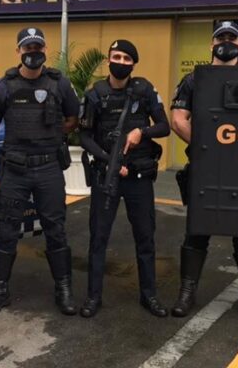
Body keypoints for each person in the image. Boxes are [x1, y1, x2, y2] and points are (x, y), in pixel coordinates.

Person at [169, 21, 238, 325]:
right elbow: (178, 119)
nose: (226, 42)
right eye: (220, 38)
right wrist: (209, 146)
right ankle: (187, 293)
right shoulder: (194, 79)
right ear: (211, 45)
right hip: (207, 167)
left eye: (232, 38)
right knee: (197, 231)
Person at [0, 27, 81, 316]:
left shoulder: (59, 84)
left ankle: (63, 289)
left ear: (45, 50)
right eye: (28, 48)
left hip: (49, 168)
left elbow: (73, 118)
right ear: (18, 52)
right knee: (7, 231)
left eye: (38, 47)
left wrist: (50, 132)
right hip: (14, 170)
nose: (33, 53)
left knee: (56, 230)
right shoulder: (4, 86)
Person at [78, 40, 171, 318]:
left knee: (145, 237)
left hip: (139, 176)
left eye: (126, 58)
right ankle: (93, 297)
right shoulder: (96, 94)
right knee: (99, 238)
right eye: (116, 56)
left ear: (133, 64)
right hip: (107, 175)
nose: (120, 61)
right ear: (108, 60)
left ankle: (149, 295)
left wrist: (141, 132)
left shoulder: (144, 91)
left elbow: (164, 126)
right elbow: (83, 136)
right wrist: (109, 162)